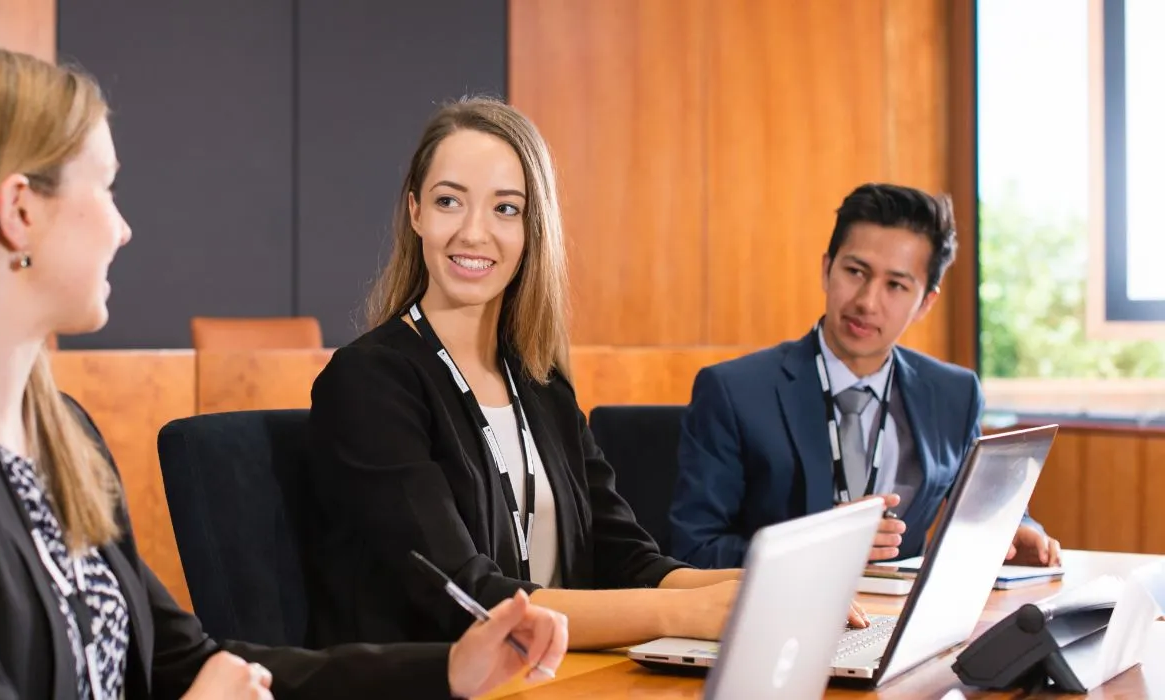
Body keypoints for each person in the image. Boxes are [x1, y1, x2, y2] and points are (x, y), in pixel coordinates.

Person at [0, 45, 566, 700]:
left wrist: (448, 670)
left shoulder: (61, 434)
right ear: (19, 212)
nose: (123, 227)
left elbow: (185, 665)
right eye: (105, 189)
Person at [305, 97, 870, 652]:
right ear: (415, 213)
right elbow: (465, 600)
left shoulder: (540, 384)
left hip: (562, 679)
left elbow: (625, 557)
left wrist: (758, 588)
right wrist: (682, 612)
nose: (474, 233)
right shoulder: (369, 381)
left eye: (506, 209)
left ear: (533, 229)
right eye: (450, 201)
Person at [669, 183, 1060, 570]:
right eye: (855, 272)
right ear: (827, 269)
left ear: (925, 302)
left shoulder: (953, 394)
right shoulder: (735, 391)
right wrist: (815, 548)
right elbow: (692, 549)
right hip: (781, 619)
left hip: (898, 619)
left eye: (895, 285)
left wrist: (1018, 531)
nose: (867, 302)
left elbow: (987, 508)